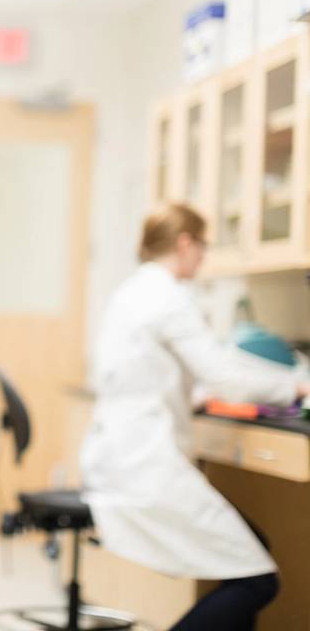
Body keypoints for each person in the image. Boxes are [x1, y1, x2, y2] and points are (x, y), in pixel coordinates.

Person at [80, 203, 310, 631]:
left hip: (117, 453)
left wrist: (197, 394)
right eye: (203, 246)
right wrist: (296, 386)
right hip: (144, 465)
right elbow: (224, 376)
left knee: (251, 553)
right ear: (185, 243)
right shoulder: (168, 296)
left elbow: (158, 372)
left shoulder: (132, 292)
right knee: (258, 579)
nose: (204, 257)